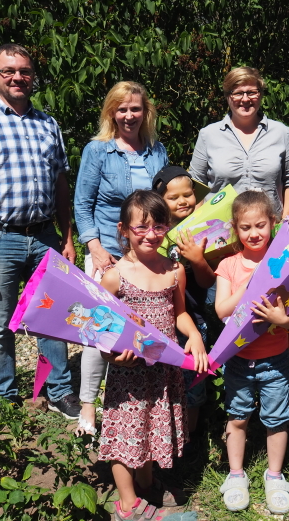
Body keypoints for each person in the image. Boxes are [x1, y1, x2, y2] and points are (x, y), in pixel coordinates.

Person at [0, 43, 80, 431]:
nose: (17, 77)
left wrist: (67, 237)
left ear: (32, 77)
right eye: (8, 71)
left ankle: (59, 391)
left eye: (23, 71)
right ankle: (3, 399)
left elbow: (61, 186)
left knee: (52, 317)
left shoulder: (48, 124)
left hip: (43, 236)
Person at [98, 190, 206, 521]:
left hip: (163, 371)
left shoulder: (175, 270)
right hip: (127, 373)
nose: (150, 234)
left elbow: (180, 314)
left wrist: (196, 336)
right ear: (124, 229)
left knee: (148, 426)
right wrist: (113, 358)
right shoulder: (115, 276)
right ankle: (128, 505)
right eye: (141, 227)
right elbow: (97, 328)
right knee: (125, 432)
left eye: (158, 226)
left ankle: (146, 484)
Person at [73, 82, 169, 437]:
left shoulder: (157, 151)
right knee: (99, 331)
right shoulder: (98, 151)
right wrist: (95, 247)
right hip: (109, 252)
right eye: (122, 109)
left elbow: (163, 203)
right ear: (111, 112)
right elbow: (82, 204)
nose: (129, 116)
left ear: (146, 112)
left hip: (146, 252)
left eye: (136, 109)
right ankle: (87, 405)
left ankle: (139, 399)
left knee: (144, 325)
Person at [215, 191, 289, 515]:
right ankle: (236, 475)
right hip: (238, 360)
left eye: (260, 225)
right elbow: (221, 310)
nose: (254, 233)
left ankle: (274, 475)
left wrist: (283, 320)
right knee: (237, 418)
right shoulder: (228, 265)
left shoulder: (286, 263)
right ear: (236, 228)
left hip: (276, 359)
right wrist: (249, 284)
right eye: (246, 227)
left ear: (273, 223)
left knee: (277, 419)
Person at [152, 166, 215, 443]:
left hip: (198, 315)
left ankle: (190, 439)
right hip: (167, 317)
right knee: (168, 378)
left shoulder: (207, 226)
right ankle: (171, 432)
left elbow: (206, 282)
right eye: (173, 197)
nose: (182, 201)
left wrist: (198, 259)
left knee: (195, 376)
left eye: (187, 194)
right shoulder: (156, 235)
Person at [189, 67, 289, 218]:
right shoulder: (208, 135)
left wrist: (285, 220)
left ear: (260, 94)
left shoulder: (281, 133)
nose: (245, 99)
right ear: (227, 96)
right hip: (220, 230)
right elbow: (196, 185)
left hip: (268, 228)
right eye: (237, 93)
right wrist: (199, 225)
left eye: (251, 92)